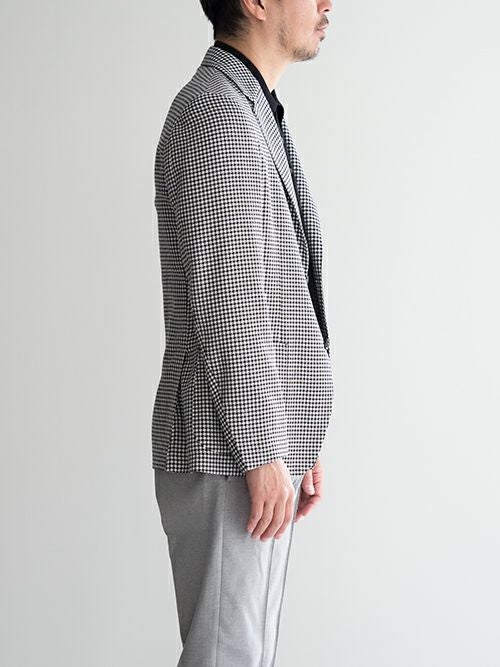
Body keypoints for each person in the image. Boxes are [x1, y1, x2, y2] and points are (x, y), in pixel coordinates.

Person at [152, 1, 334, 664]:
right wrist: (262, 449)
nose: (327, 3)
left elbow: (268, 292)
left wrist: (294, 436)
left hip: (248, 447)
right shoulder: (216, 115)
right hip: (226, 447)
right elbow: (226, 300)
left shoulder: (249, 109)